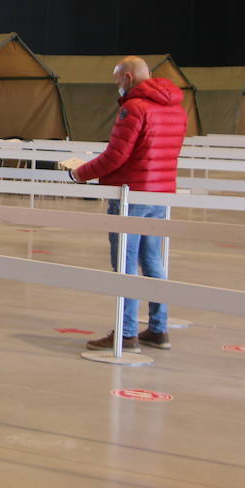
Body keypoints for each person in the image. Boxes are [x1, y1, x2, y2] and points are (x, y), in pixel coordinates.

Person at [62, 56, 185, 353]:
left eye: (118, 80)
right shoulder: (176, 109)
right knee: (154, 263)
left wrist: (79, 173)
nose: (117, 86)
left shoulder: (134, 108)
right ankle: (158, 328)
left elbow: (116, 156)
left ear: (128, 78)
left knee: (125, 266)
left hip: (132, 195)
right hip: (161, 193)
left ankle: (126, 333)